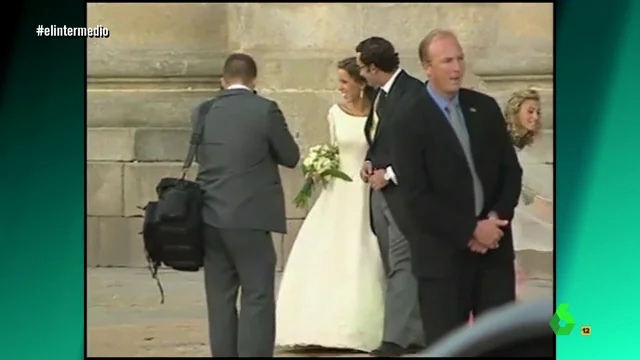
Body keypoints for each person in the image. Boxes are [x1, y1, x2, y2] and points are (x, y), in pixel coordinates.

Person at [390, 29, 523, 348]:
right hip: (443, 259)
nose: (456, 68)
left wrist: (494, 221)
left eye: (460, 59)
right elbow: (416, 195)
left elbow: (510, 171)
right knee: (449, 347)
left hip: (494, 251)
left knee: (500, 345)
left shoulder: (485, 108)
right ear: (427, 67)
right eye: (447, 60)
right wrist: (469, 231)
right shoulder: (408, 118)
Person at [275, 57, 386, 353]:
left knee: (363, 252)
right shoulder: (334, 113)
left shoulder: (377, 114)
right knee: (327, 252)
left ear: (361, 83)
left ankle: (359, 329)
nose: (340, 88)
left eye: (345, 82)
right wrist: (320, 166)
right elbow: (334, 148)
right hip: (337, 191)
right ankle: (316, 326)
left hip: (365, 192)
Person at [195, 53, 300, 357]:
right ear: (254, 80)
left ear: (223, 79)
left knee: (220, 299)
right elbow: (290, 156)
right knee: (257, 295)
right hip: (251, 216)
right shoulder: (265, 110)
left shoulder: (202, 112)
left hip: (210, 215)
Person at [355, 37, 426, 357]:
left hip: (404, 194)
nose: (360, 74)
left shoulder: (414, 93)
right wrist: (371, 161)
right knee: (392, 265)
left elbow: (422, 145)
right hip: (380, 193)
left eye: (361, 68)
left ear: (373, 67)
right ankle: (415, 334)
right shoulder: (381, 96)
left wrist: (392, 173)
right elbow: (383, 138)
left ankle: (394, 341)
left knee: (402, 265)